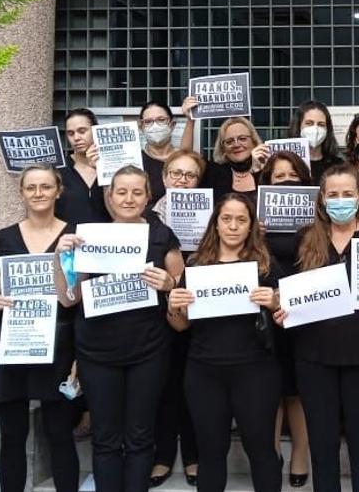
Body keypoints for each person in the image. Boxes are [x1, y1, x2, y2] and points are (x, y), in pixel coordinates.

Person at [273, 164, 359, 492]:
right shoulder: (306, 238)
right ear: (322, 198)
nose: (340, 200)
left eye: (347, 194)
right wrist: (283, 305)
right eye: (332, 194)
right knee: (322, 442)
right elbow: (289, 289)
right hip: (314, 355)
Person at [53, 165, 184, 492]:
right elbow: (69, 299)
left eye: (137, 192)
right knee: (106, 437)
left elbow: (181, 285)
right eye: (121, 192)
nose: (129, 198)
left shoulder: (162, 234)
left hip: (149, 351)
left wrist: (168, 283)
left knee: (140, 436)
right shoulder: (88, 236)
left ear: (148, 197)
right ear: (109, 197)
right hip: (97, 352)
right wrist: (61, 259)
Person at [166, 193, 284, 492]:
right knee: (210, 453)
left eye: (241, 220)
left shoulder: (266, 266)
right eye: (226, 219)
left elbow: (289, 318)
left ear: (251, 227)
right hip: (204, 371)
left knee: (262, 451)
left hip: (256, 370)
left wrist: (273, 302)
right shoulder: (195, 266)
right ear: (215, 225)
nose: (233, 226)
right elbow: (180, 325)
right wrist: (173, 306)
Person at [0, 164, 79, 492]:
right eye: (31, 187)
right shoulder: (3, 237)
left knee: (60, 432)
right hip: (13, 340)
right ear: (21, 193)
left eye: (45, 187)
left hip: (59, 341)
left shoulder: (74, 235)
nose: (38, 193)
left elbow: (75, 296)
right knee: (12, 435)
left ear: (58, 191)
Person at [148, 150, 205, 486]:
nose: (182, 180)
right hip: (159, 311)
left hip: (202, 306)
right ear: (165, 177)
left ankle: (195, 456)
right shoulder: (150, 215)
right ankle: (163, 455)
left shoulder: (214, 215)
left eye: (190, 174)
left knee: (194, 385)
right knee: (166, 384)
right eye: (176, 173)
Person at [259, 151, 313, 487]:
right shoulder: (255, 218)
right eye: (279, 177)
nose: (287, 181)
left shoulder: (317, 217)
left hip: (305, 307)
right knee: (271, 389)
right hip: (267, 309)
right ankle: (271, 454)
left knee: (299, 389)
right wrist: (256, 233)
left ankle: (300, 454)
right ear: (267, 183)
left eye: (293, 175)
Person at [181, 116, 266, 202]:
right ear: (223, 148)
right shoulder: (213, 172)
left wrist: (258, 170)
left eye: (242, 139)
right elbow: (185, 157)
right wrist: (190, 120)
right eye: (229, 142)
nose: (236, 145)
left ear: (254, 142)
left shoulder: (268, 171)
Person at [59, 108, 109, 224]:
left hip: (108, 238)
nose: (76, 138)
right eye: (71, 133)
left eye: (82, 131)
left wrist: (102, 170)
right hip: (69, 238)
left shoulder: (111, 164)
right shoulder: (59, 169)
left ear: (95, 130)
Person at [288, 101, 343, 182]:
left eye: (321, 124)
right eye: (309, 123)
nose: (315, 129)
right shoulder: (287, 163)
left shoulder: (338, 166)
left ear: (327, 129)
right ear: (298, 126)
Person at [139, 101, 180, 207]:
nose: (155, 126)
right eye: (148, 122)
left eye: (161, 120)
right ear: (141, 127)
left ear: (172, 124)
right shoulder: (135, 161)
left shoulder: (183, 160)